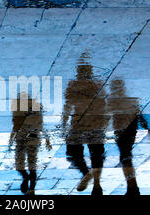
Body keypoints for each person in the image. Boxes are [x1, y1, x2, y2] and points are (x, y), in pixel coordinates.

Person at [62, 53, 109, 195]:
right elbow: (103, 103)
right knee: (96, 153)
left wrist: (64, 122)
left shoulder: (73, 84)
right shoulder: (98, 84)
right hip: (95, 122)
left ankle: (86, 173)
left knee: (73, 153)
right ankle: (96, 183)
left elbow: (68, 105)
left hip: (78, 122)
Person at [108, 79, 150, 196]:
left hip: (123, 129)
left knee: (125, 154)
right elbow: (138, 114)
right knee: (125, 155)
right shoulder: (125, 102)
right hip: (127, 129)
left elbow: (137, 113)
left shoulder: (114, 102)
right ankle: (131, 183)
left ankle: (131, 183)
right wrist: (146, 127)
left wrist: (146, 127)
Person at [9, 92, 51, 195]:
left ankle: (26, 178)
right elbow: (41, 124)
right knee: (31, 165)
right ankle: (31, 188)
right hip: (33, 137)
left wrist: (11, 138)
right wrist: (47, 139)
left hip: (22, 138)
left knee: (20, 164)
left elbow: (16, 124)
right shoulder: (37, 108)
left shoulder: (18, 108)